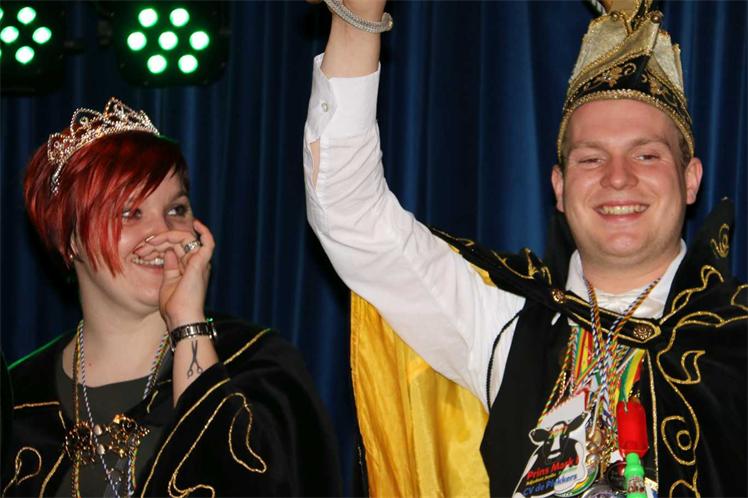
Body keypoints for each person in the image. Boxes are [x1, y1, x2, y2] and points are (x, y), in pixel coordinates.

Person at [303, 0, 746, 497]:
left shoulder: (736, 340)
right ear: (559, 187)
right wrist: (356, 19)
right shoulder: (505, 324)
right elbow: (351, 214)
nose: (618, 177)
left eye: (645, 155)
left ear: (690, 179)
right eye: (591, 159)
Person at [2, 98, 342, 497]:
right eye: (130, 213)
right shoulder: (20, 397)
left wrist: (187, 324)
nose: (162, 232)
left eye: (176, 209)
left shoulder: (256, 365)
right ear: (69, 240)